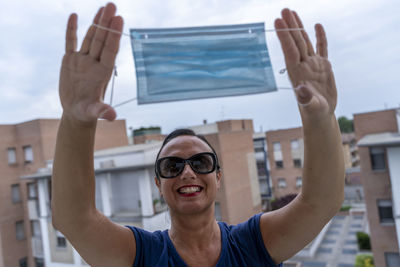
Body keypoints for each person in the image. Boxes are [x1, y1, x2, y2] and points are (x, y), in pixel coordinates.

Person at [52, 2, 344, 267]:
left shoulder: (254, 243)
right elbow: (75, 220)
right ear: (158, 183)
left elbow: (320, 202)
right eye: (172, 166)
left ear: (218, 176)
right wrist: (76, 120)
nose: (187, 172)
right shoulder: (141, 254)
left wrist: (321, 117)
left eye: (201, 162)